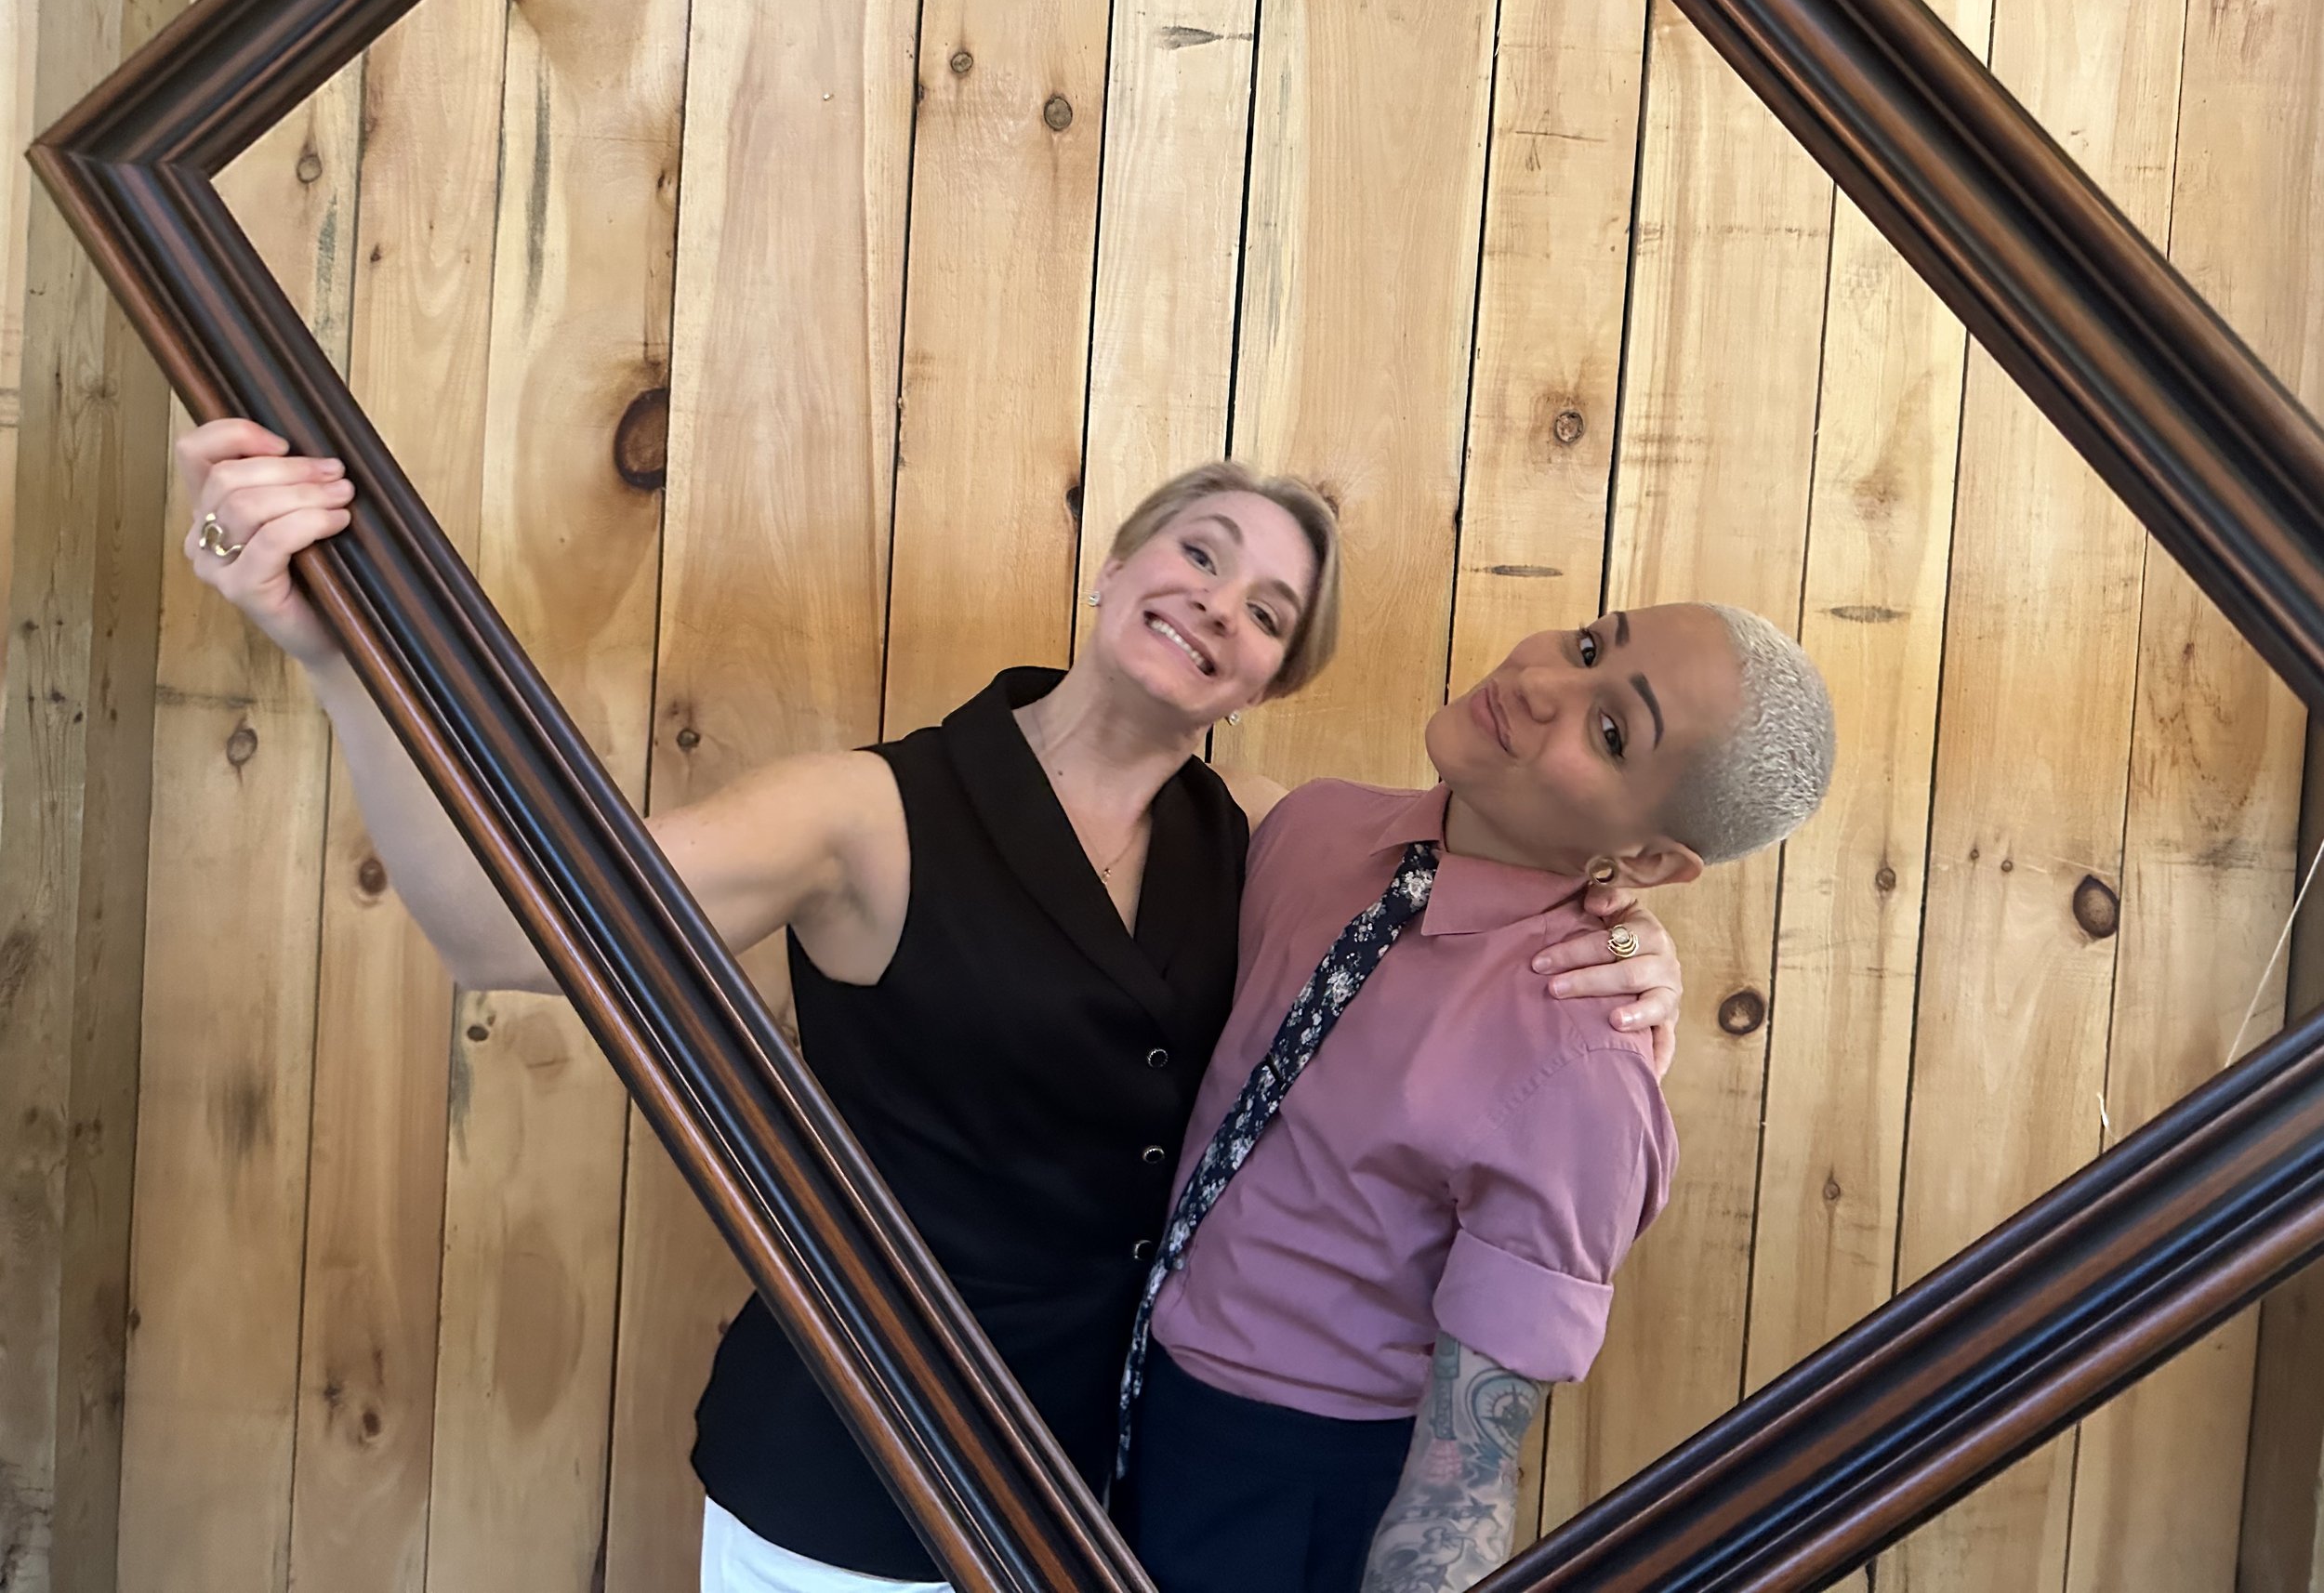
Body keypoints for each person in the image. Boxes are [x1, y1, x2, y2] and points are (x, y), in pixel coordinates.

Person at [173, 418, 1693, 1593]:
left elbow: (1432, 969)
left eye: (1271, 609)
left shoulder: (1267, 854)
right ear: (1119, 567)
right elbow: (507, 933)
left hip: (1091, 1505)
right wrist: (336, 662)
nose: (1220, 600)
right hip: (847, 1480)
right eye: (1201, 550)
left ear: (1268, 685)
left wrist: (1620, 948)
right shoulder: (864, 814)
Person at [1118, 603, 1836, 1593]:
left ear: (1649, 864)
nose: (1542, 682)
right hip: (1116, 1380)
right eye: (1588, 645)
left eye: (1611, 729)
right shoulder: (1312, 826)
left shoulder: (1585, 1078)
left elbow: (1460, 1479)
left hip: (1297, 1485)